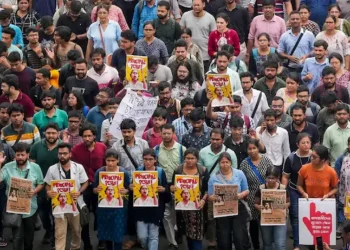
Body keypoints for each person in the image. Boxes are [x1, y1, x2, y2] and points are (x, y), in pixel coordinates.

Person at [0, 142, 44, 250]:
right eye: (18, 155)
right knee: (17, 238)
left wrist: (35, 191)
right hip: (14, 209)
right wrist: (0, 164)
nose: (20, 157)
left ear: (28, 155)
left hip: (31, 209)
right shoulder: (7, 166)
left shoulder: (35, 167)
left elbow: (41, 183)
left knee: (29, 239)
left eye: (22, 155)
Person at [45, 142, 88, 250]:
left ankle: (75, 247)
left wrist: (80, 192)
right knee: (59, 233)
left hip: (75, 203)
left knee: (77, 231)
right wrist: (49, 192)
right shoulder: (52, 169)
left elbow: (85, 182)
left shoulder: (78, 167)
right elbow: (47, 185)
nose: (62, 156)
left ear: (70, 154)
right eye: (60, 154)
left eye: (65, 153)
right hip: (59, 205)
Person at [71, 123, 107, 250]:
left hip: (100, 187)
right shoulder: (76, 150)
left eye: (89, 136)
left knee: (101, 214)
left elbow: (107, 167)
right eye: (84, 136)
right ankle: (87, 243)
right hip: (83, 188)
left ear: (94, 136)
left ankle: (102, 240)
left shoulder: (103, 148)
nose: (87, 138)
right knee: (84, 215)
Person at [207, 151, 250, 250]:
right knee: (224, 239)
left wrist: (240, 195)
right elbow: (209, 196)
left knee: (239, 237)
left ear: (230, 162)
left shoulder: (239, 173)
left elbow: (246, 190)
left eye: (227, 162)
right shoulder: (213, 178)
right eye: (222, 162)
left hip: (238, 208)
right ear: (219, 163)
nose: (225, 164)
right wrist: (212, 197)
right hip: (222, 211)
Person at [170, 148, 209, 250]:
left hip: (197, 207)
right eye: (187, 158)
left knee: (197, 234)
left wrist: (203, 200)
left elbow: (207, 189)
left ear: (197, 159)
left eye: (192, 158)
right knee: (187, 232)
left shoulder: (203, 170)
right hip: (182, 207)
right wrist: (172, 188)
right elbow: (172, 185)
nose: (189, 160)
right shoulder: (178, 169)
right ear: (184, 158)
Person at [240, 138, 274, 250]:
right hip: (251, 197)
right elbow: (241, 181)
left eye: (254, 148)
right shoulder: (244, 164)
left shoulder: (267, 160)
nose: (252, 151)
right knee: (253, 224)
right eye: (249, 149)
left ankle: (268, 245)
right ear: (246, 150)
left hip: (266, 195)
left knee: (266, 222)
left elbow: (273, 177)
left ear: (258, 148)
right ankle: (256, 246)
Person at [156, 124, 186, 250]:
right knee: (167, 214)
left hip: (179, 184)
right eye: (164, 133)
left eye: (169, 133)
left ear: (173, 133)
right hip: (164, 185)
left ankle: (178, 232)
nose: (166, 136)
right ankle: (172, 242)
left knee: (180, 213)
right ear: (160, 134)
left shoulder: (181, 149)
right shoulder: (156, 149)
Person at [132, 148, 169, 250]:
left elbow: (166, 187)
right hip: (141, 209)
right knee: (142, 236)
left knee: (154, 236)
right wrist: (131, 188)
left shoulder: (160, 172)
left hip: (155, 209)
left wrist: (163, 189)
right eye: (145, 159)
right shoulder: (138, 171)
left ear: (155, 160)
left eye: (150, 159)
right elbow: (133, 189)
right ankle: (145, 246)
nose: (148, 162)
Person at [93, 149, 129, 250]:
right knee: (106, 232)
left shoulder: (123, 172)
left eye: (113, 160)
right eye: (108, 160)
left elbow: (129, 188)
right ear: (105, 160)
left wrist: (125, 191)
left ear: (118, 160)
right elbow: (94, 189)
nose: (110, 163)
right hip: (104, 208)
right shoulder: (99, 172)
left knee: (118, 232)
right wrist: (96, 189)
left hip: (119, 209)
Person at [282, 133, 312, 250]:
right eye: (303, 143)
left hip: (311, 191)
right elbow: (285, 176)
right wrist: (283, 192)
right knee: (295, 217)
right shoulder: (291, 158)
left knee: (311, 216)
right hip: (294, 189)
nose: (306, 145)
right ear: (297, 144)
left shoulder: (315, 156)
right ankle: (297, 244)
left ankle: (311, 242)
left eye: (308, 143)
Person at [254, 166, 290, 250]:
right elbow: (255, 203)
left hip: (280, 218)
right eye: (268, 178)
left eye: (273, 178)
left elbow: (288, 202)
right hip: (266, 218)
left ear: (277, 178)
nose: (270, 180)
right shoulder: (261, 188)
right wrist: (258, 207)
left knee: (280, 244)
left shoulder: (283, 188)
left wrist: (286, 205)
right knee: (267, 242)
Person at [179, 0, 216, 72]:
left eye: (198, 5)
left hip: (205, 54)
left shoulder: (210, 18)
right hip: (188, 54)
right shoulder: (185, 15)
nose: (196, 7)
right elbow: (181, 32)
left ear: (203, 5)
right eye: (194, 5)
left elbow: (213, 37)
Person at [246, 0, 286, 64]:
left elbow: (284, 41)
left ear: (274, 9)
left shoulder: (281, 21)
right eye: (265, 8)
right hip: (258, 54)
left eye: (270, 7)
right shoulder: (256, 20)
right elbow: (251, 38)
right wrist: (248, 54)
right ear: (262, 9)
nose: (267, 10)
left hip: (275, 55)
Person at [335, 137, 350, 239]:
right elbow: (336, 174)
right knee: (342, 208)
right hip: (344, 189)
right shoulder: (342, 158)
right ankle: (341, 228)